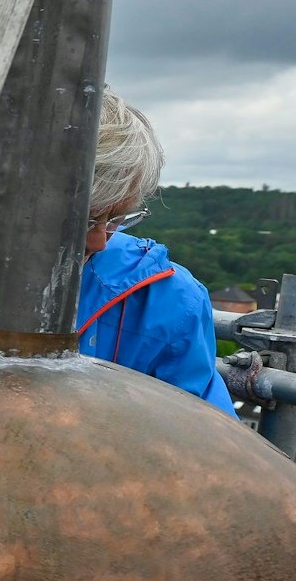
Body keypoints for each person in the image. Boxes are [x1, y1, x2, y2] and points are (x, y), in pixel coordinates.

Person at [77, 90, 234, 415]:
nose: (99, 241)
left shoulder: (171, 301)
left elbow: (205, 437)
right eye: (87, 218)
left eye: (117, 219)